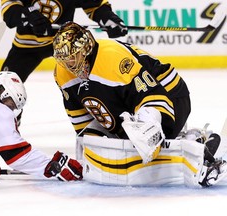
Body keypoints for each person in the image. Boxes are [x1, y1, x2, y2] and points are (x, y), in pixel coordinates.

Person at [52, 21, 227, 187]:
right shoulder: (62, 73)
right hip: (128, 102)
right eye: (64, 59)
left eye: (73, 57)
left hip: (169, 94)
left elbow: (153, 94)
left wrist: (150, 128)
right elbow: (79, 114)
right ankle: (183, 138)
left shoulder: (113, 59)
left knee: (144, 138)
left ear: (86, 49)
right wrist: (88, 148)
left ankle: (193, 143)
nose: (68, 64)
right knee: (112, 137)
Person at [0, 0, 128, 82]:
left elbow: (95, 6)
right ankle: (7, 123)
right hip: (27, 45)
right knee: (5, 87)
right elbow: (9, 11)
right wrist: (29, 16)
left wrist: (109, 19)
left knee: (91, 81)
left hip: (65, 42)